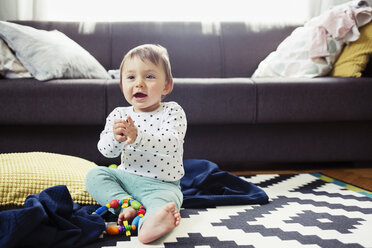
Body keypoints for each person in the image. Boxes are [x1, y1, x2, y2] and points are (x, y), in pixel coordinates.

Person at [85, 44, 187, 244]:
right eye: (131, 77)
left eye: (149, 77)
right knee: (95, 175)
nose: (139, 84)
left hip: (161, 185)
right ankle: (126, 206)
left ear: (166, 85)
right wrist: (115, 138)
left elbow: (171, 143)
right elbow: (106, 152)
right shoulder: (119, 114)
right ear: (122, 85)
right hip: (126, 179)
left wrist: (138, 136)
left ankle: (150, 224)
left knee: (163, 204)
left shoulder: (172, 111)